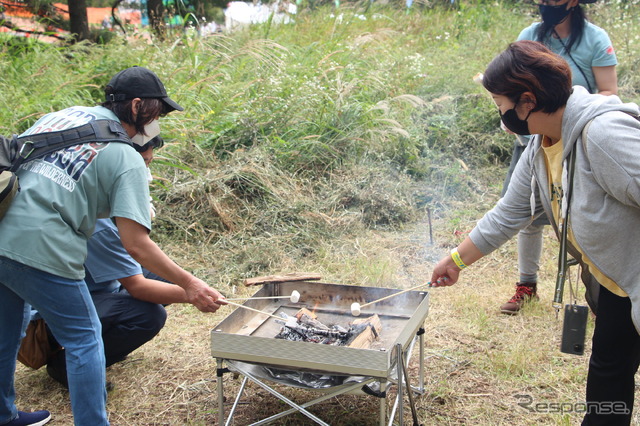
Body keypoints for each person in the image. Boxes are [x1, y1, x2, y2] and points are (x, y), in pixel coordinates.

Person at [0, 66, 225, 426]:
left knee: (5, 330)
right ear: (137, 106)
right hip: (42, 245)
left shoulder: (62, 116)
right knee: (85, 340)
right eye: (158, 114)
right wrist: (191, 284)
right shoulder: (124, 155)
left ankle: (3, 415)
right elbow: (137, 245)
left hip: (2, 225)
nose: (158, 124)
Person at [431, 40, 640, 425]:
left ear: (527, 101)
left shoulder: (603, 135)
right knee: (608, 369)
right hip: (616, 285)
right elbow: (508, 214)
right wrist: (457, 259)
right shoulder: (540, 146)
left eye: (500, 105)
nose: (501, 116)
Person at [39, 135, 193, 388]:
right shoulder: (97, 224)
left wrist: (187, 283)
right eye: (141, 163)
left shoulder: (102, 197)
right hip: (55, 311)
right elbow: (138, 286)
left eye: (148, 163)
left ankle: (106, 341)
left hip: (99, 284)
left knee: (168, 276)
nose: (146, 175)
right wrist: (194, 293)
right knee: (149, 316)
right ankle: (65, 364)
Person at [499, 0, 618, 314]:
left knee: (583, 214)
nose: (547, 4)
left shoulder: (595, 39)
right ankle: (527, 284)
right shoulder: (530, 35)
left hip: (578, 146)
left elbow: (609, 91)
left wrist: (562, 111)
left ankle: (602, 285)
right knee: (525, 212)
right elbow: (511, 89)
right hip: (533, 141)